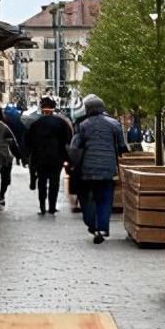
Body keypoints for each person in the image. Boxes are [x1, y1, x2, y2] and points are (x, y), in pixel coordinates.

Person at [70, 94, 127, 244]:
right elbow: (122, 147)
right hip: (108, 168)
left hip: (88, 169)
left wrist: (73, 162)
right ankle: (102, 227)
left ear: (87, 109)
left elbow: (75, 147)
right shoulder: (114, 124)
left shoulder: (83, 125)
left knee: (87, 198)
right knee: (105, 198)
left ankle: (92, 225)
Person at [23, 96, 72, 215]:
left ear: (41, 108)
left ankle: (42, 206)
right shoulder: (61, 123)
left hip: (40, 157)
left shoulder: (35, 123)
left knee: (42, 181)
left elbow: (28, 141)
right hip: (57, 157)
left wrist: (27, 156)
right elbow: (67, 140)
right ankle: (52, 207)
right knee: (54, 182)